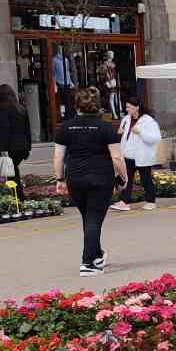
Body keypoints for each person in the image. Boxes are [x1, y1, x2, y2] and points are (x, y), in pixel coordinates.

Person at [53, 86, 125, 276]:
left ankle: (97, 254)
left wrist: (60, 179)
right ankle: (88, 263)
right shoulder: (106, 127)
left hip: (75, 178)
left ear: (76, 105)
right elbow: (117, 158)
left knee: (88, 216)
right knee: (94, 218)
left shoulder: (65, 127)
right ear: (98, 106)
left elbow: (58, 157)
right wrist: (123, 178)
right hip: (100, 178)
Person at [112, 96, 162, 210]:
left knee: (145, 179)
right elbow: (124, 134)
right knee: (126, 178)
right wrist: (120, 133)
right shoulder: (126, 119)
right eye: (126, 107)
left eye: (129, 107)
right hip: (128, 154)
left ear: (137, 107)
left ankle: (151, 201)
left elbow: (155, 138)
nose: (127, 109)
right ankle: (125, 202)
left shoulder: (148, 121)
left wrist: (141, 132)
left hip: (142, 155)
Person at [0, 84, 32, 192]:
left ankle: (17, 198)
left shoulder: (2, 108)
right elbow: (27, 129)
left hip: (11, 146)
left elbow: (5, 130)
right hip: (23, 146)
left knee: (11, 174)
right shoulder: (21, 108)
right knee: (13, 171)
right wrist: (28, 147)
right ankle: (17, 197)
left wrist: (2, 149)